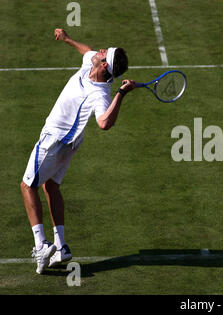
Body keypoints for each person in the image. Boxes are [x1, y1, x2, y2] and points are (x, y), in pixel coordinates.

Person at [20, 28, 136, 274]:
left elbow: (104, 123)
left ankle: (41, 245)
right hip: (70, 143)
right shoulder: (92, 63)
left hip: (54, 138)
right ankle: (61, 246)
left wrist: (121, 94)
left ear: (104, 65)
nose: (99, 51)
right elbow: (86, 51)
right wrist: (67, 39)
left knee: (27, 186)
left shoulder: (100, 94)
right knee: (50, 186)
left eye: (104, 52)